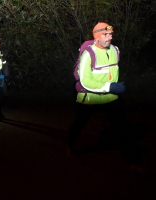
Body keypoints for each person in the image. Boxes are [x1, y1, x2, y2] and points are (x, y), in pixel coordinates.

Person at [67, 22, 146, 173]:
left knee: (123, 129)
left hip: (110, 98)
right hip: (90, 98)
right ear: (97, 37)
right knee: (79, 124)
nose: (109, 37)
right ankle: (69, 145)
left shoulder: (115, 50)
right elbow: (85, 80)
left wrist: (115, 86)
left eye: (110, 34)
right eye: (105, 34)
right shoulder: (88, 54)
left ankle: (132, 162)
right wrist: (109, 86)